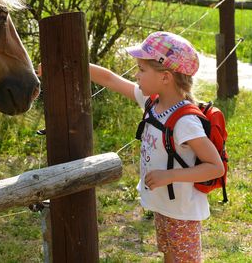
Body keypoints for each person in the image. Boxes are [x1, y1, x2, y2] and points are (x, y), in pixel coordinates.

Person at [89, 31, 224, 263]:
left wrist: (169, 176)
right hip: (164, 206)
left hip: (183, 212)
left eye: (141, 70)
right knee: (169, 255)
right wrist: (64, 63)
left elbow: (215, 167)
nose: (136, 75)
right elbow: (110, 79)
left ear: (165, 77)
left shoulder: (185, 122)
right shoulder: (152, 102)